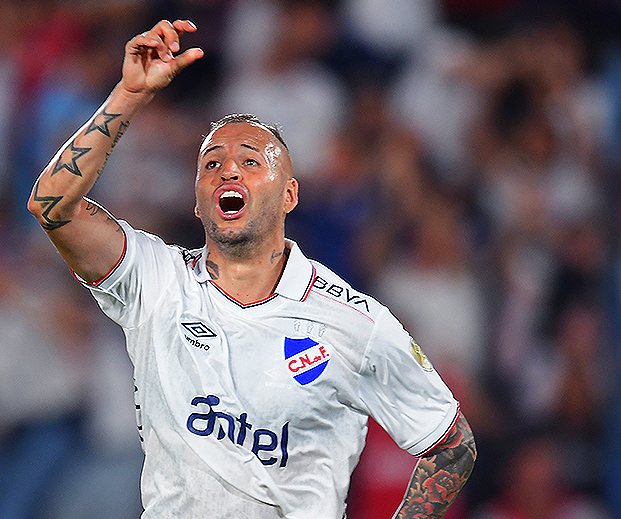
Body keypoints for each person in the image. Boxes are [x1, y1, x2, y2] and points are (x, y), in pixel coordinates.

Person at [27, 19, 476, 518]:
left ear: (289, 195)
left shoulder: (354, 322)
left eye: (251, 161)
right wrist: (129, 95)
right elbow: (51, 205)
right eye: (212, 164)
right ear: (198, 201)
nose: (229, 170)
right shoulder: (157, 280)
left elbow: (451, 444)